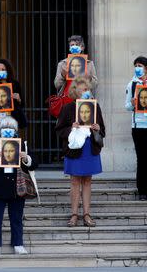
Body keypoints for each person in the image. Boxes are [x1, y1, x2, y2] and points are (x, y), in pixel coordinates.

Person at [0, 115, 37, 256]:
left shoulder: (21, 144)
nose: (8, 131)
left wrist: (26, 158)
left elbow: (35, 163)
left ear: (16, 130)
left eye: (11, 128)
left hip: (16, 189)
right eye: (5, 128)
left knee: (16, 218)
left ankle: (18, 243)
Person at [56, 76, 105, 228]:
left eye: (88, 89)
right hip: (75, 149)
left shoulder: (95, 107)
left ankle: (87, 214)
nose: (86, 92)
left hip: (90, 147)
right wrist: (72, 127)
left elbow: (103, 130)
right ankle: (74, 215)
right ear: (74, 91)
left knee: (88, 181)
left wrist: (98, 129)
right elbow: (59, 130)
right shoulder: (67, 108)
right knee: (75, 181)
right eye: (83, 89)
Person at [0, 59, 28, 138]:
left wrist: (19, 99)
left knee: (10, 145)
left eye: (3, 69)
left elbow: (23, 104)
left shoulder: (15, 84)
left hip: (11, 120)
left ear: (8, 70)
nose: (0, 71)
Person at [125, 56, 147, 200]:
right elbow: (126, 106)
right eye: (136, 66)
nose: (137, 68)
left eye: (140, 65)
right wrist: (133, 103)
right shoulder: (131, 84)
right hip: (138, 127)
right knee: (142, 158)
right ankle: (142, 190)